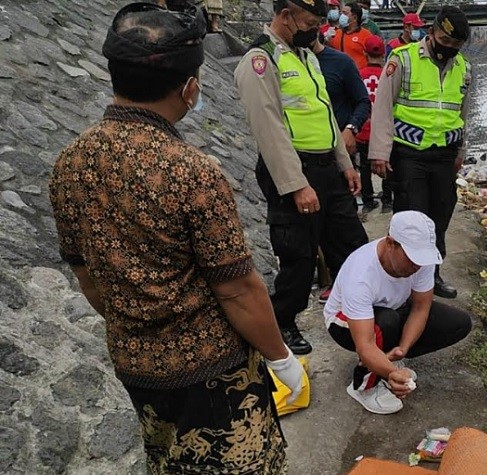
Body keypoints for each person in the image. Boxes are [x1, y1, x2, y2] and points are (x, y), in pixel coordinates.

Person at [49, 3, 305, 473]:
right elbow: (237, 289)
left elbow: (87, 276)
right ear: (189, 88)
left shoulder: (70, 162)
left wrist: (140, 325)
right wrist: (280, 356)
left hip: (135, 365)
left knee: (168, 462)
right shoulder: (192, 171)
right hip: (211, 373)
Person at [235, 0, 368, 355]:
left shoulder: (306, 57)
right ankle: (283, 322)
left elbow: (325, 115)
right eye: (309, 23)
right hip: (293, 169)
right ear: (286, 16)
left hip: (327, 167)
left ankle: (361, 309)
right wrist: (297, 185)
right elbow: (269, 129)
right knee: (298, 254)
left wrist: (345, 164)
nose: (316, 31)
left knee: (352, 243)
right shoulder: (261, 60)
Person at [368, 6, 472, 299]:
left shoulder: (463, 68)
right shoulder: (403, 59)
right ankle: (400, 279)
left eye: (455, 44)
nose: (448, 48)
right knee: (411, 217)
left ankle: (431, 276)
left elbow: (463, 112)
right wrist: (379, 152)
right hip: (409, 153)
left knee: (440, 215)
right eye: (445, 40)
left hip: (444, 154)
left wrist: (461, 151)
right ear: (432, 32)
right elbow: (383, 106)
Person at [324, 211, 472, 414]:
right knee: (387, 322)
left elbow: (421, 307)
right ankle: (363, 386)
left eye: (421, 259)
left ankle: (388, 359)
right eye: (411, 258)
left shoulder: (420, 263)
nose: (416, 266)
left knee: (458, 323)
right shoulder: (361, 274)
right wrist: (391, 373)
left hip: (392, 308)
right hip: (343, 322)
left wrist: (403, 348)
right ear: (390, 243)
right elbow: (365, 344)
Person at [310, 32, 371, 159]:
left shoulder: (341, 62)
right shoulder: (286, 61)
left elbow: (363, 102)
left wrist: (351, 128)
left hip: (337, 149)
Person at [357, 35, 392, 213]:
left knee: (364, 167)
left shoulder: (359, 74)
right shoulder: (389, 75)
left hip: (363, 129)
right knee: (387, 164)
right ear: (384, 54)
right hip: (383, 131)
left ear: (365, 53)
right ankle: (387, 201)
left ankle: (368, 201)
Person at [326, 1, 373, 70]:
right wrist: (327, 41)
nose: (342, 16)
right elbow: (328, 54)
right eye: (341, 13)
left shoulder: (366, 35)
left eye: (345, 13)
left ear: (355, 18)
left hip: (359, 74)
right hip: (339, 73)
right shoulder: (336, 33)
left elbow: (373, 58)